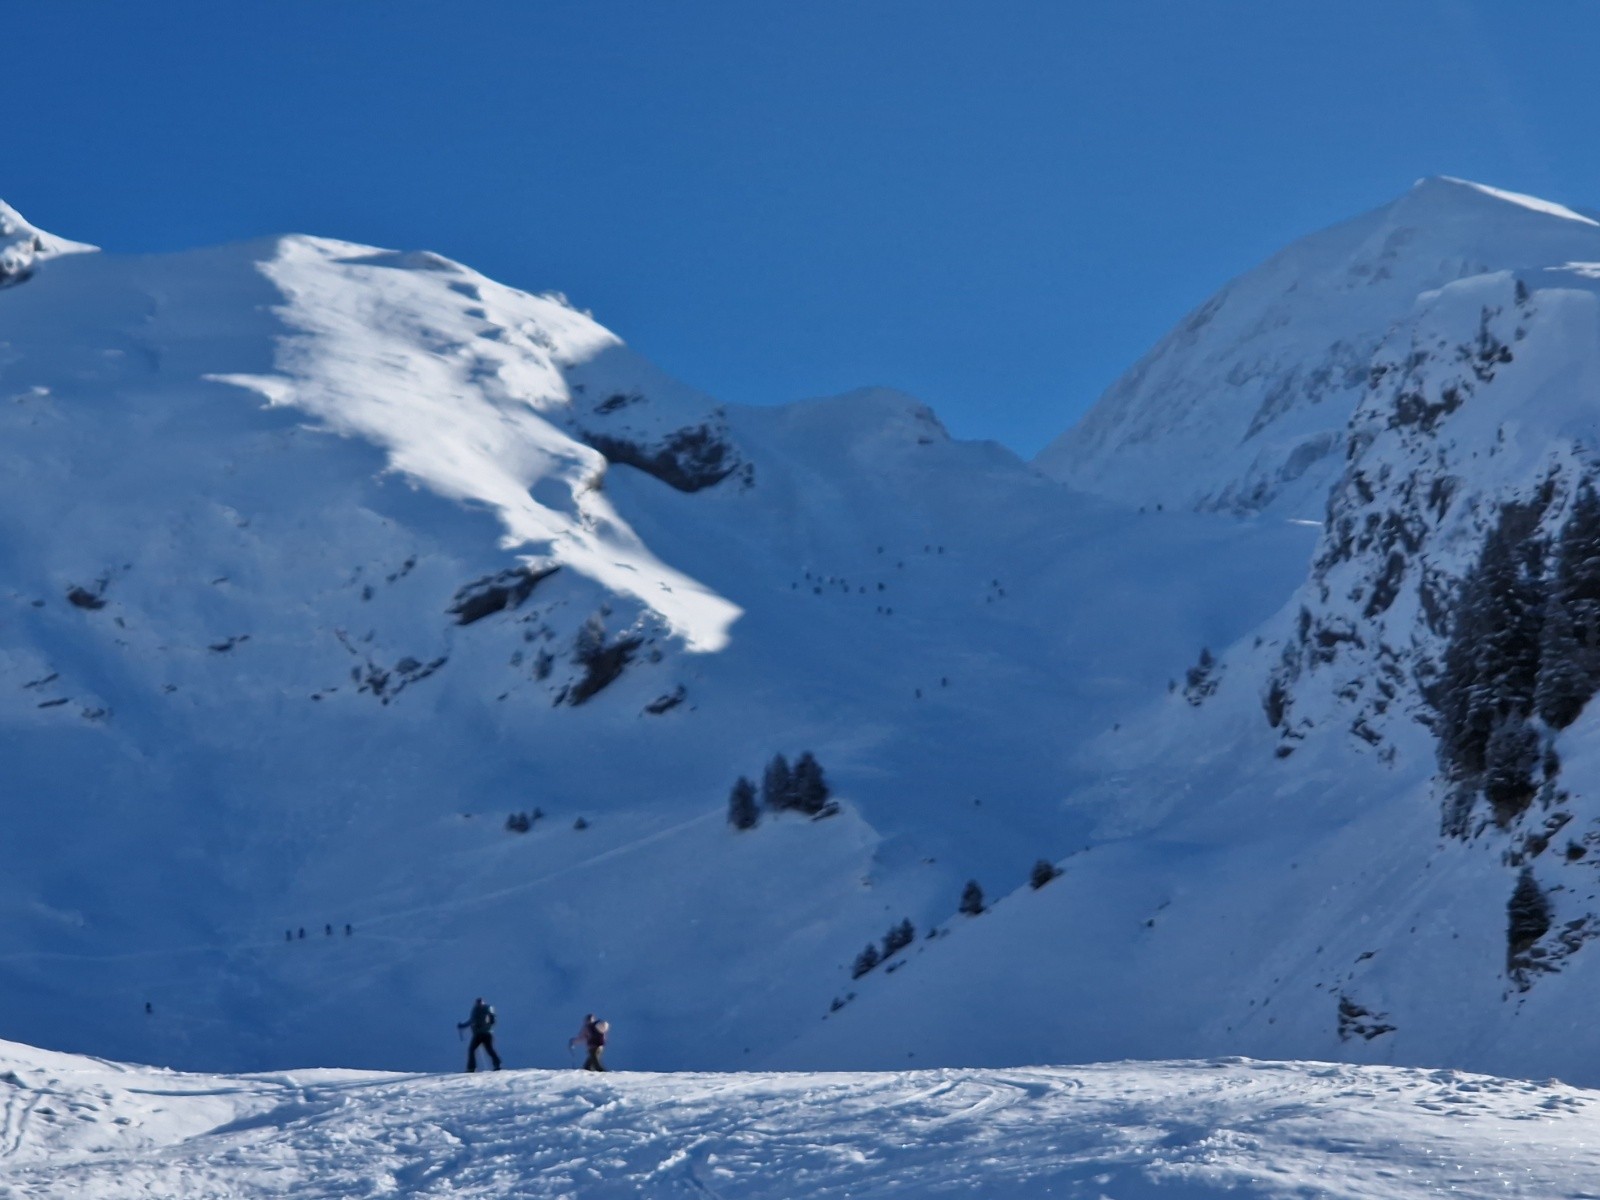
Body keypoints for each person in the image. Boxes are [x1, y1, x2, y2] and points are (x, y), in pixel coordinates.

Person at [457, 997, 502, 1072]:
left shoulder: (486, 1008)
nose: (479, 1004)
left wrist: (489, 1024)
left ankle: (497, 1064)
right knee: (472, 1049)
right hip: (478, 1034)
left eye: (480, 1002)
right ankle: (472, 1067)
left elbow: (492, 1017)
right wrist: (463, 1025)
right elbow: (471, 1020)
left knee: (488, 1049)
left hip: (485, 1034)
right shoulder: (475, 1010)